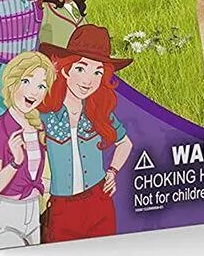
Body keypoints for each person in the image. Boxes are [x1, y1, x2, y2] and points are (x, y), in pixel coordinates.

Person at [39, 25, 133, 243]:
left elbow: (125, 143)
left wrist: (112, 171)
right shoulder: (46, 114)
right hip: (61, 206)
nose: (88, 80)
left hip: (99, 200)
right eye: (81, 68)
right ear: (66, 69)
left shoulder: (98, 112)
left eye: (97, 72)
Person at [0, 51, 52, 248]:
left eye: (41, 86)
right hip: (8, 213)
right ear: (12, 83)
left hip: (33, 213)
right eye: (26, 81)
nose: (33, 92)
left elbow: (38, 174)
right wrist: (15, 162)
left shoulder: (37, 127)